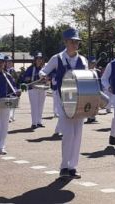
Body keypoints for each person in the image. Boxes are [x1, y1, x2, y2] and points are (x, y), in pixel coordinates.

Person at [39, 27, 88, 178]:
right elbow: (44, 71)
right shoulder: (57, 58)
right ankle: (64, 167)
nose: (75, 44)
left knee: (77, 134)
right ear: (66, 42)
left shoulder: (83, 60)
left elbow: (87, 78)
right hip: (64, 100)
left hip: (79, 100)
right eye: (72, 41)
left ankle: (73, 167)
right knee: (67, 134)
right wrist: (44, 76)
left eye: (77, 41)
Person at [24, 52, 46, 129]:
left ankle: (39, 122)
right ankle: (34, 123)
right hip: (33, 89)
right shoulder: (30, 68)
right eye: (38, 58)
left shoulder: (44, 68)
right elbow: (25, 78)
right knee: (34, 106)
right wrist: (30, 79)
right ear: (35, 60)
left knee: (41, 106)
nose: (39, 60)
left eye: (40, 58)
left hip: (42, 89)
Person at [86, 56, 102, 124]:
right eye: (91, 63)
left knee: (95, 104)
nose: (93, 64)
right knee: (89, 104)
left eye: (94, 63)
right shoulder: (85, 71)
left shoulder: (96, 71)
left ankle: (92, 117)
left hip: (95, 89)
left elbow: (99, 81)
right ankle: (89, 117)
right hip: (88, 90)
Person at [4, 56, 18, 122]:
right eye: (8, 62)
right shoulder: (3, 71)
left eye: (10, 61)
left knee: (13, 103)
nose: (9, 63)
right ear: (5, 63)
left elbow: (17, 79)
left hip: (14, 88)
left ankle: (12, 116)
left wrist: (17, 88)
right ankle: (8, 117)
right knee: (8, 104)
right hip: (7, 89)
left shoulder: (13, 70)